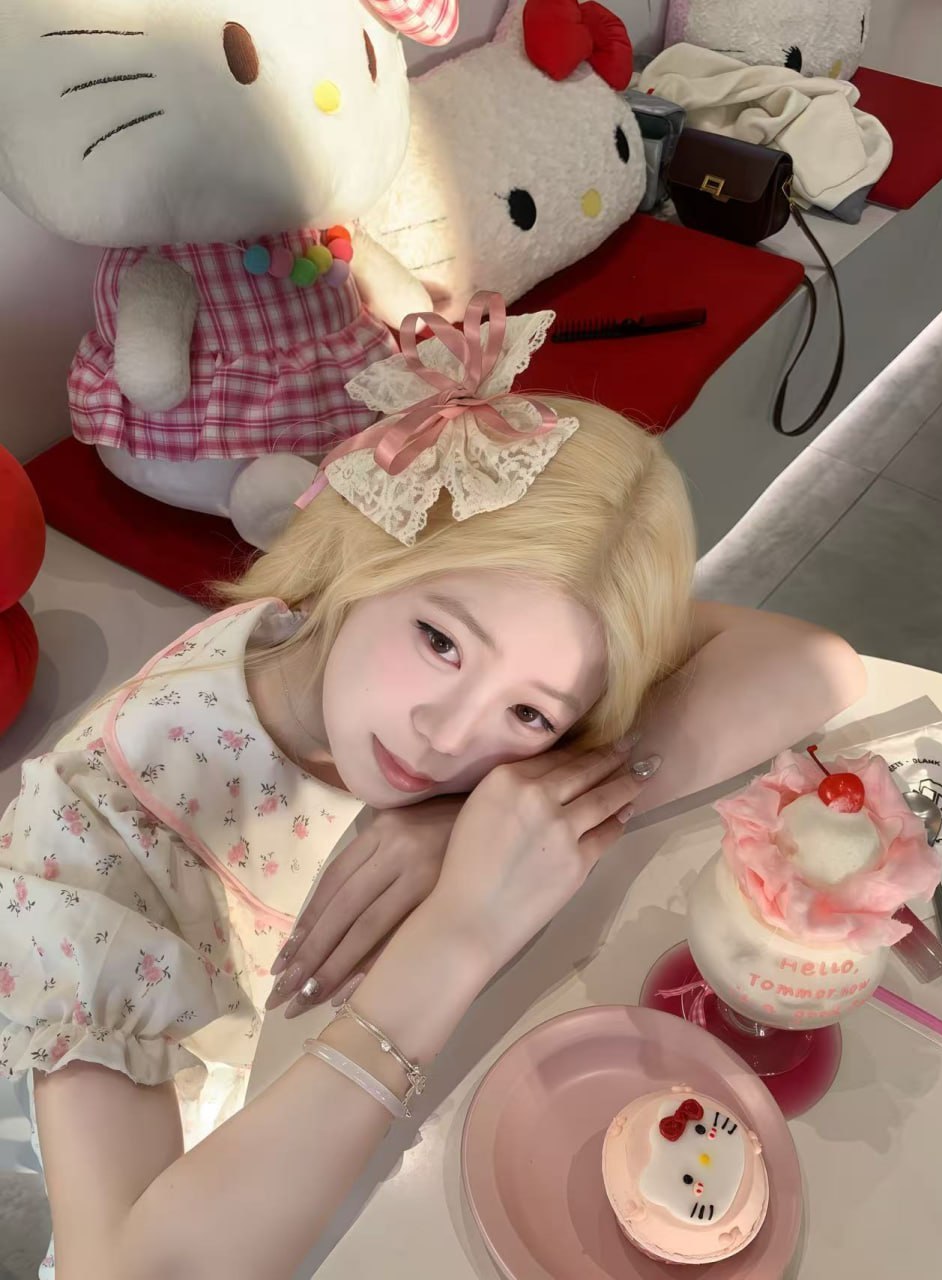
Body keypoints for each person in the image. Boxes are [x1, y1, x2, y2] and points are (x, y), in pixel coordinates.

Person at [0, 296, 865, 1280]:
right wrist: (456, 939)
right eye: (441, 641)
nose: (450, 737)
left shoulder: (376, 659)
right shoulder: (94, 830)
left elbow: (816, 665)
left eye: (530, 711)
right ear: (370, 548)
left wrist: (484, 808)